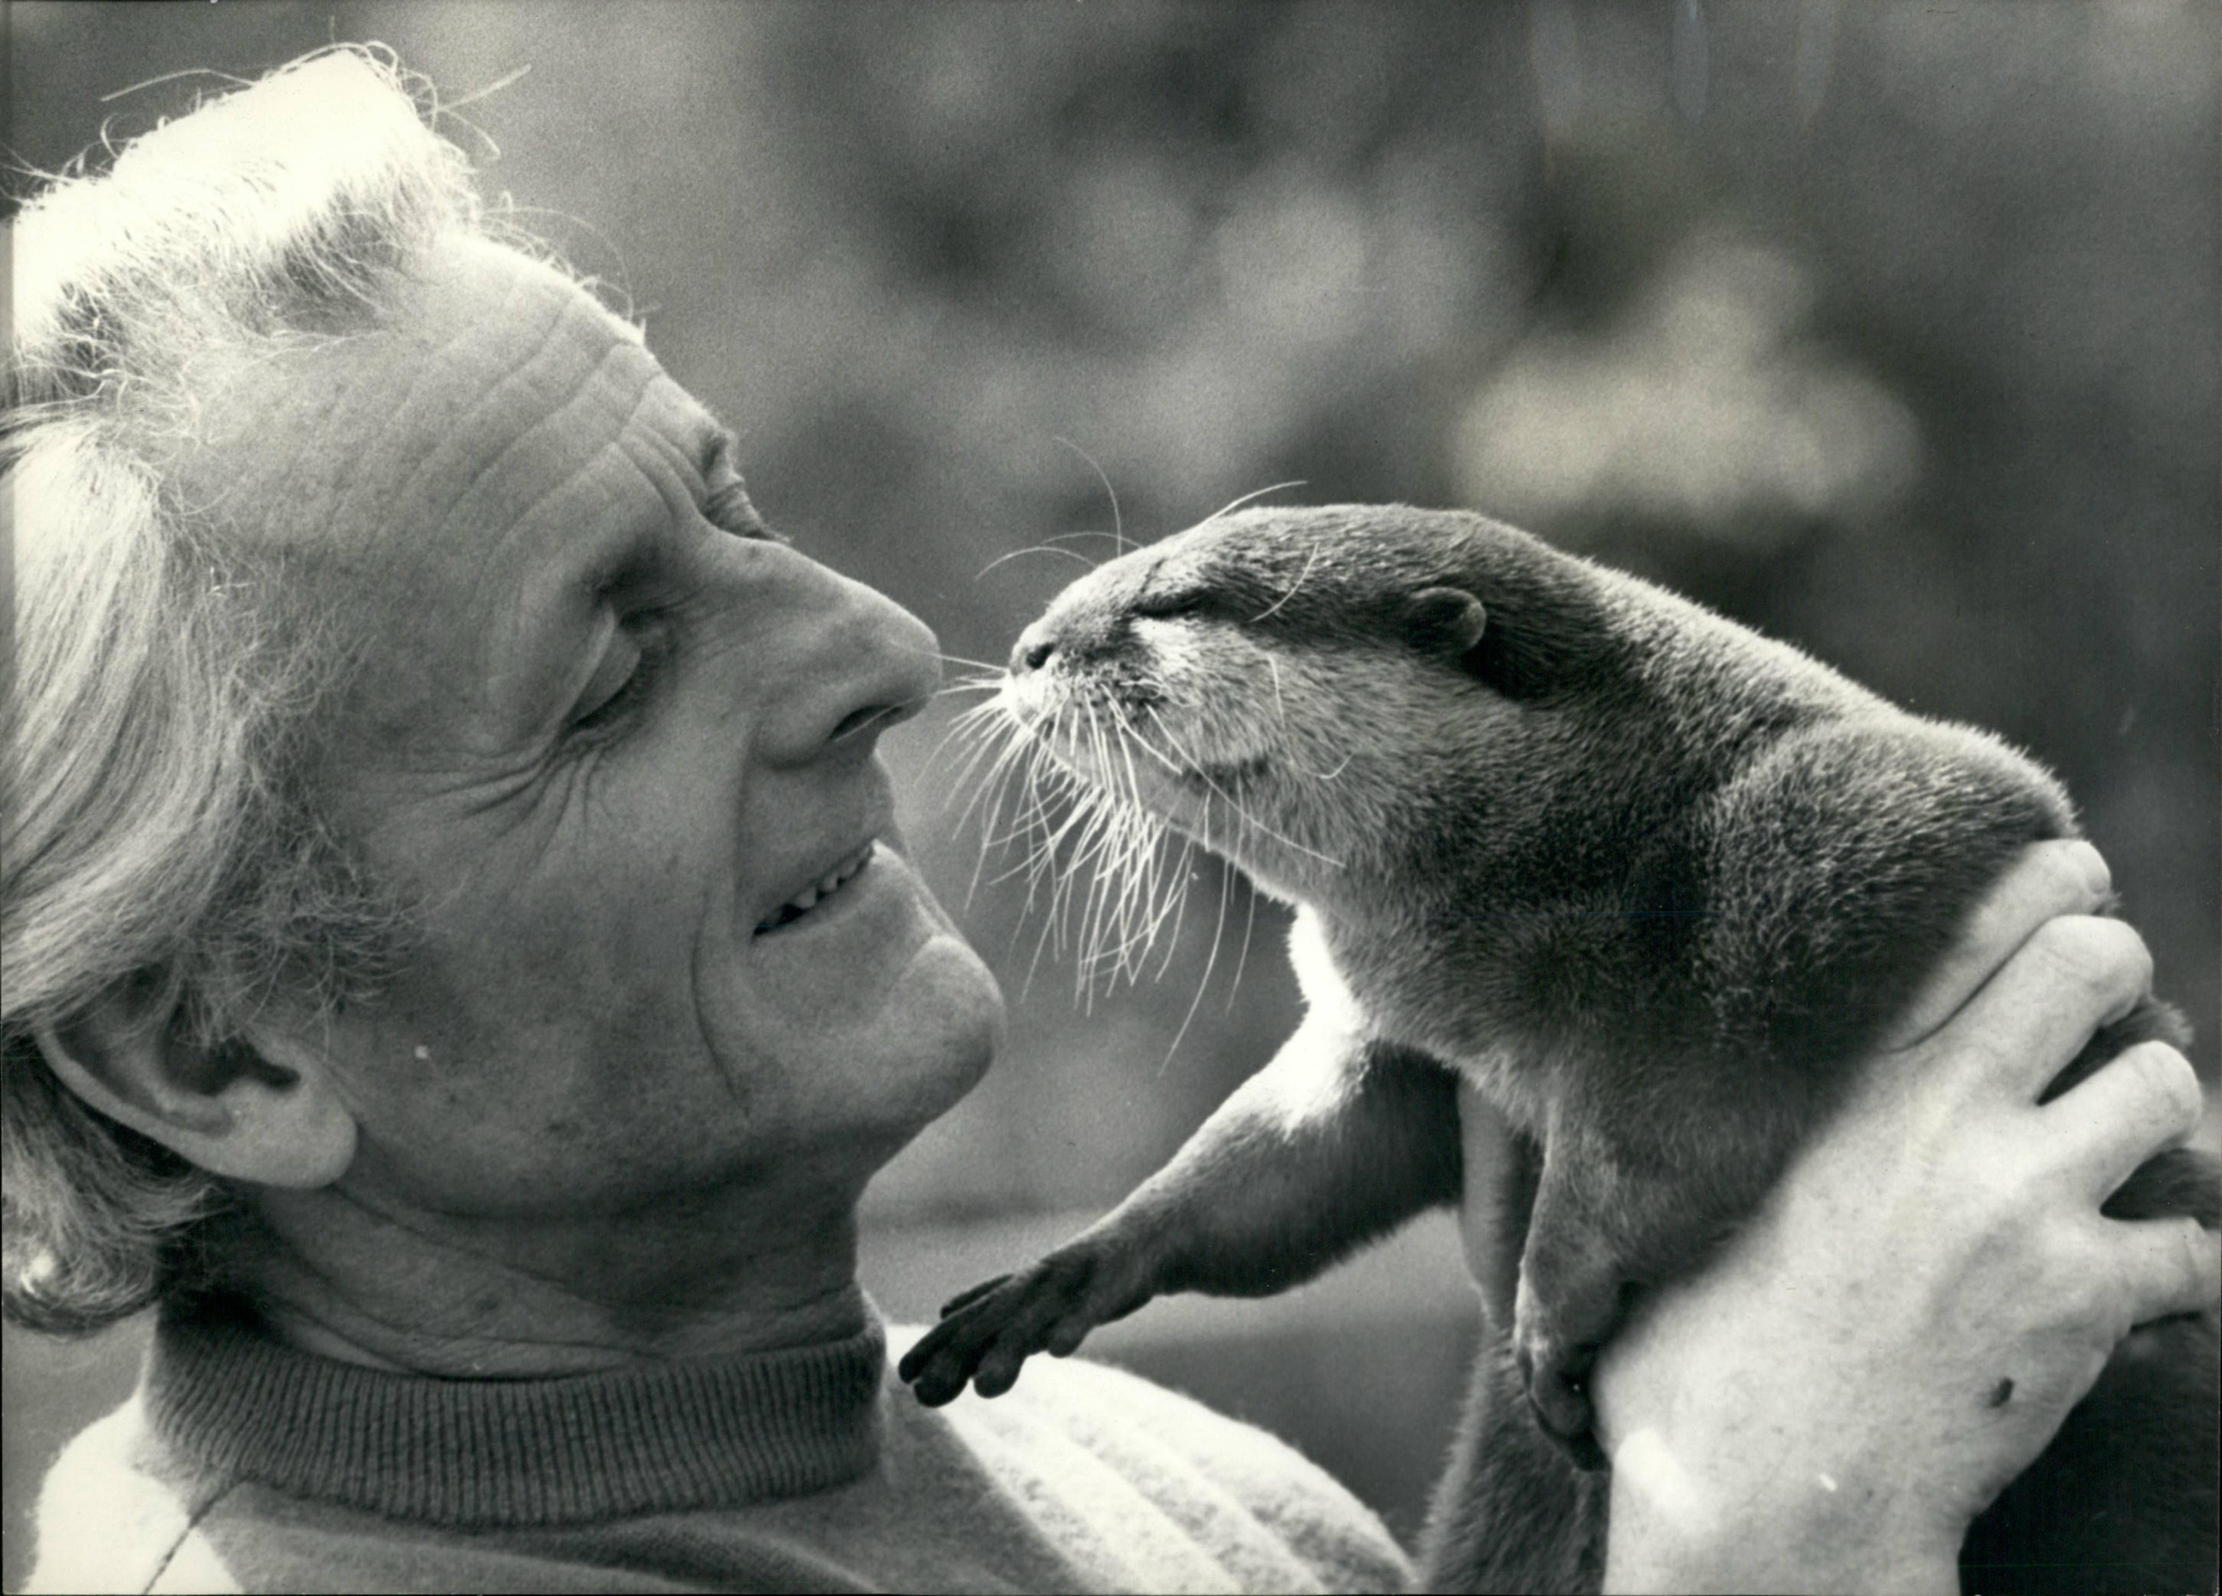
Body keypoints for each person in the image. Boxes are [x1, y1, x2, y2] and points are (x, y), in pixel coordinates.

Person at [4, 48, 2211, 1596]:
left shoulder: (1159, 1490)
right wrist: (1783, 1534)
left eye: (736, 504)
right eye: (607, 666)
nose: (878, 642)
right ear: (216, 1050)